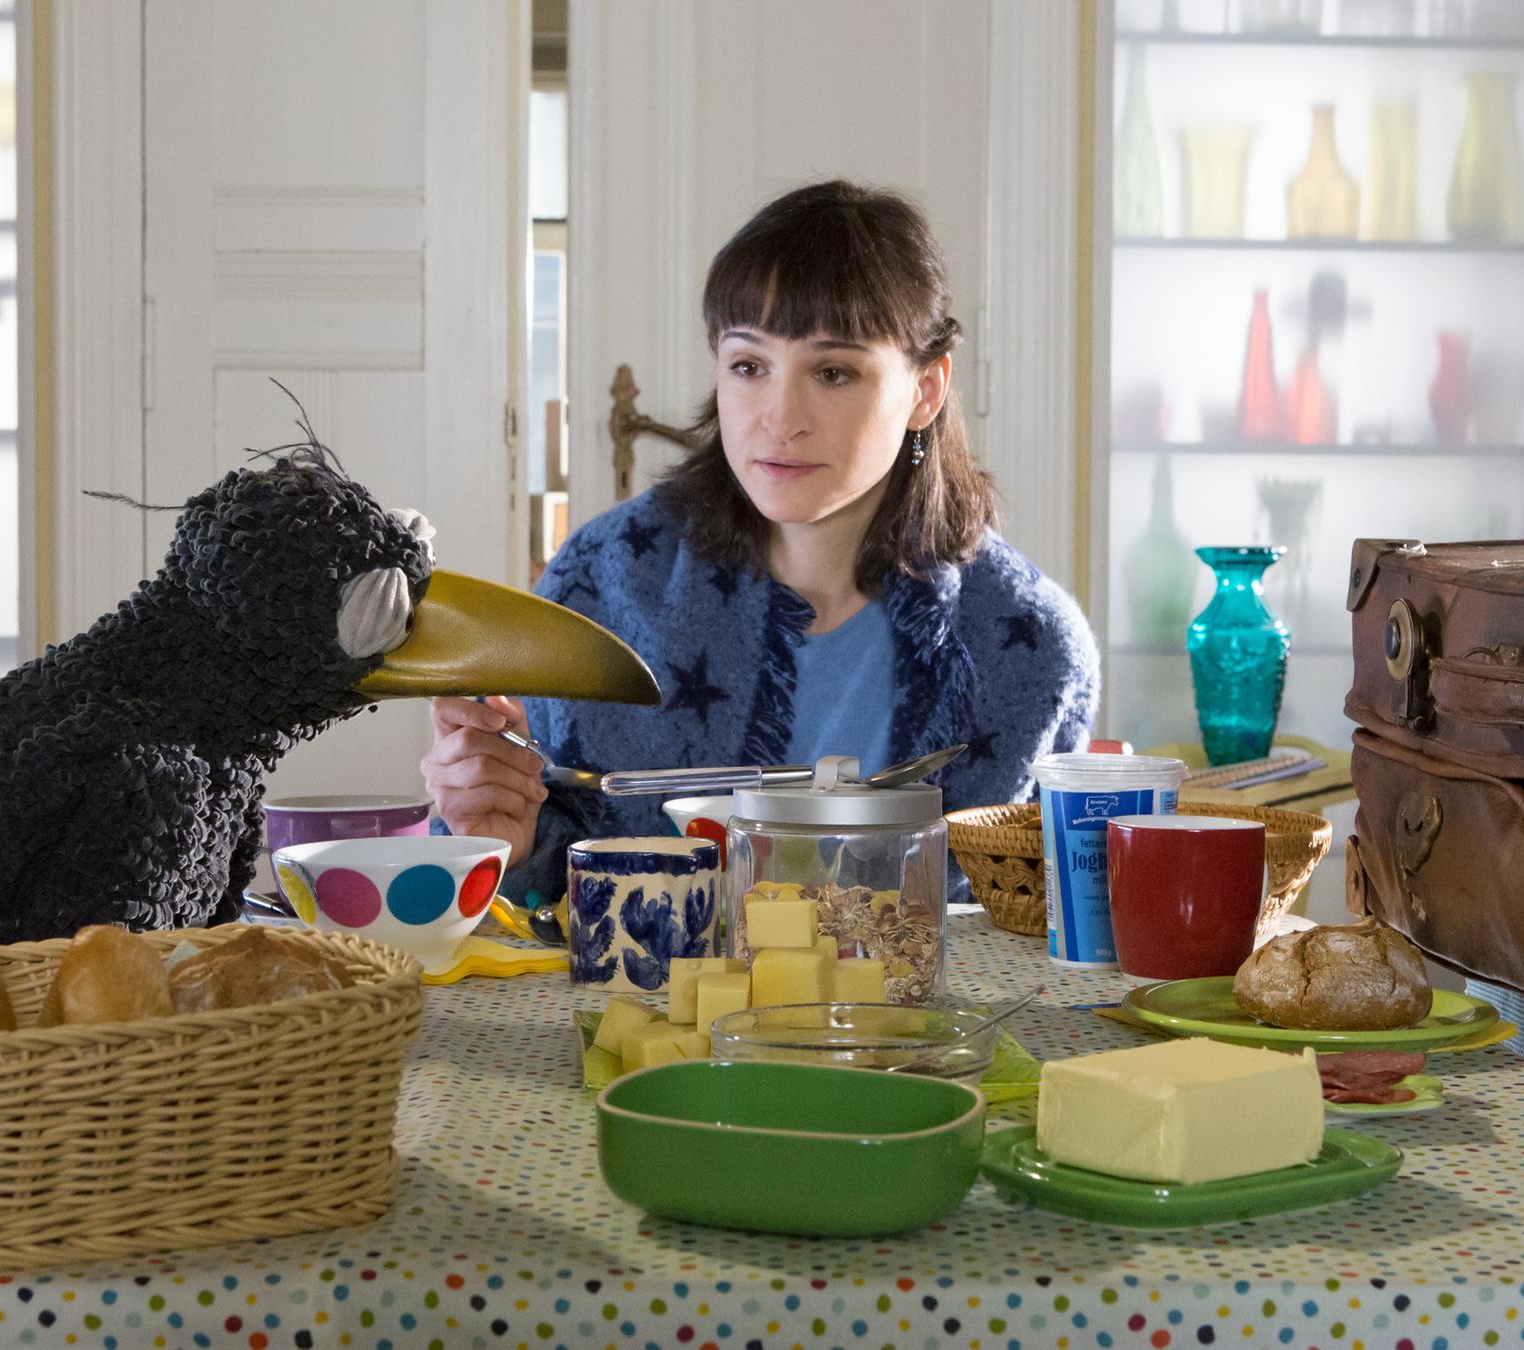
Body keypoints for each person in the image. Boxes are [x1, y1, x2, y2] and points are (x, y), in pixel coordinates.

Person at [422, 179, 1098, 901]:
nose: (780, 418)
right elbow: (537, 886)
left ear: (926, 390)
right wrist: (496, 835)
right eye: (749, 366)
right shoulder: (601, 581)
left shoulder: (1030, 647)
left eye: (834, 372)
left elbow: (1036, 924)